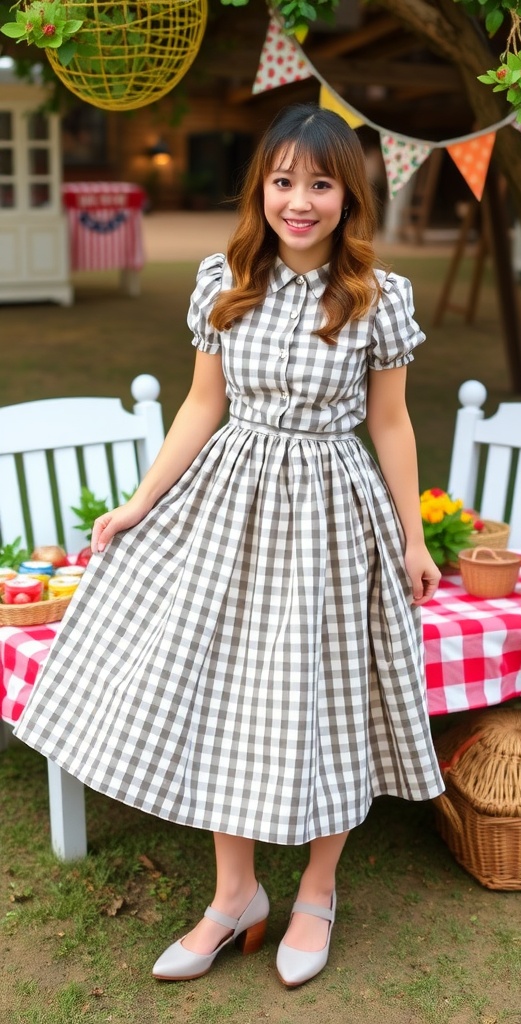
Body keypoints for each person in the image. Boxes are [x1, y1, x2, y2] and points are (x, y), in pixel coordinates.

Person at [14, 103, 444, 988]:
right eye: (283, 181)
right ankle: (235, 895)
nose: (300, 200)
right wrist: (138, 504)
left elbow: (390, 423)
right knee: (226, 688)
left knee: (332, 693)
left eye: (320, 184)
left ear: (346, 195)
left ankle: (319, 891)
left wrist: (412, 535)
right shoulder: (224, 279)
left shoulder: (376, 295)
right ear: (261, 189)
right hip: (230, 507)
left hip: (332, 511)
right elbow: (202, 406)